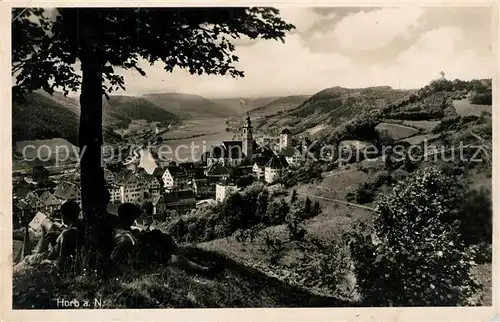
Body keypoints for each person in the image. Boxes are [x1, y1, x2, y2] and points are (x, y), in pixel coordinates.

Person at [110, 203, 214, 276]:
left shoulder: (120, 228)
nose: (134, 220)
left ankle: (201, 257)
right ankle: (203, 270)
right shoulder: (125, 238)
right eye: (133, 217)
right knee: (179, 258)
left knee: (174, 247)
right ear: (130, 217)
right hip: (147, 258)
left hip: (148, 252)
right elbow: (118, 258)